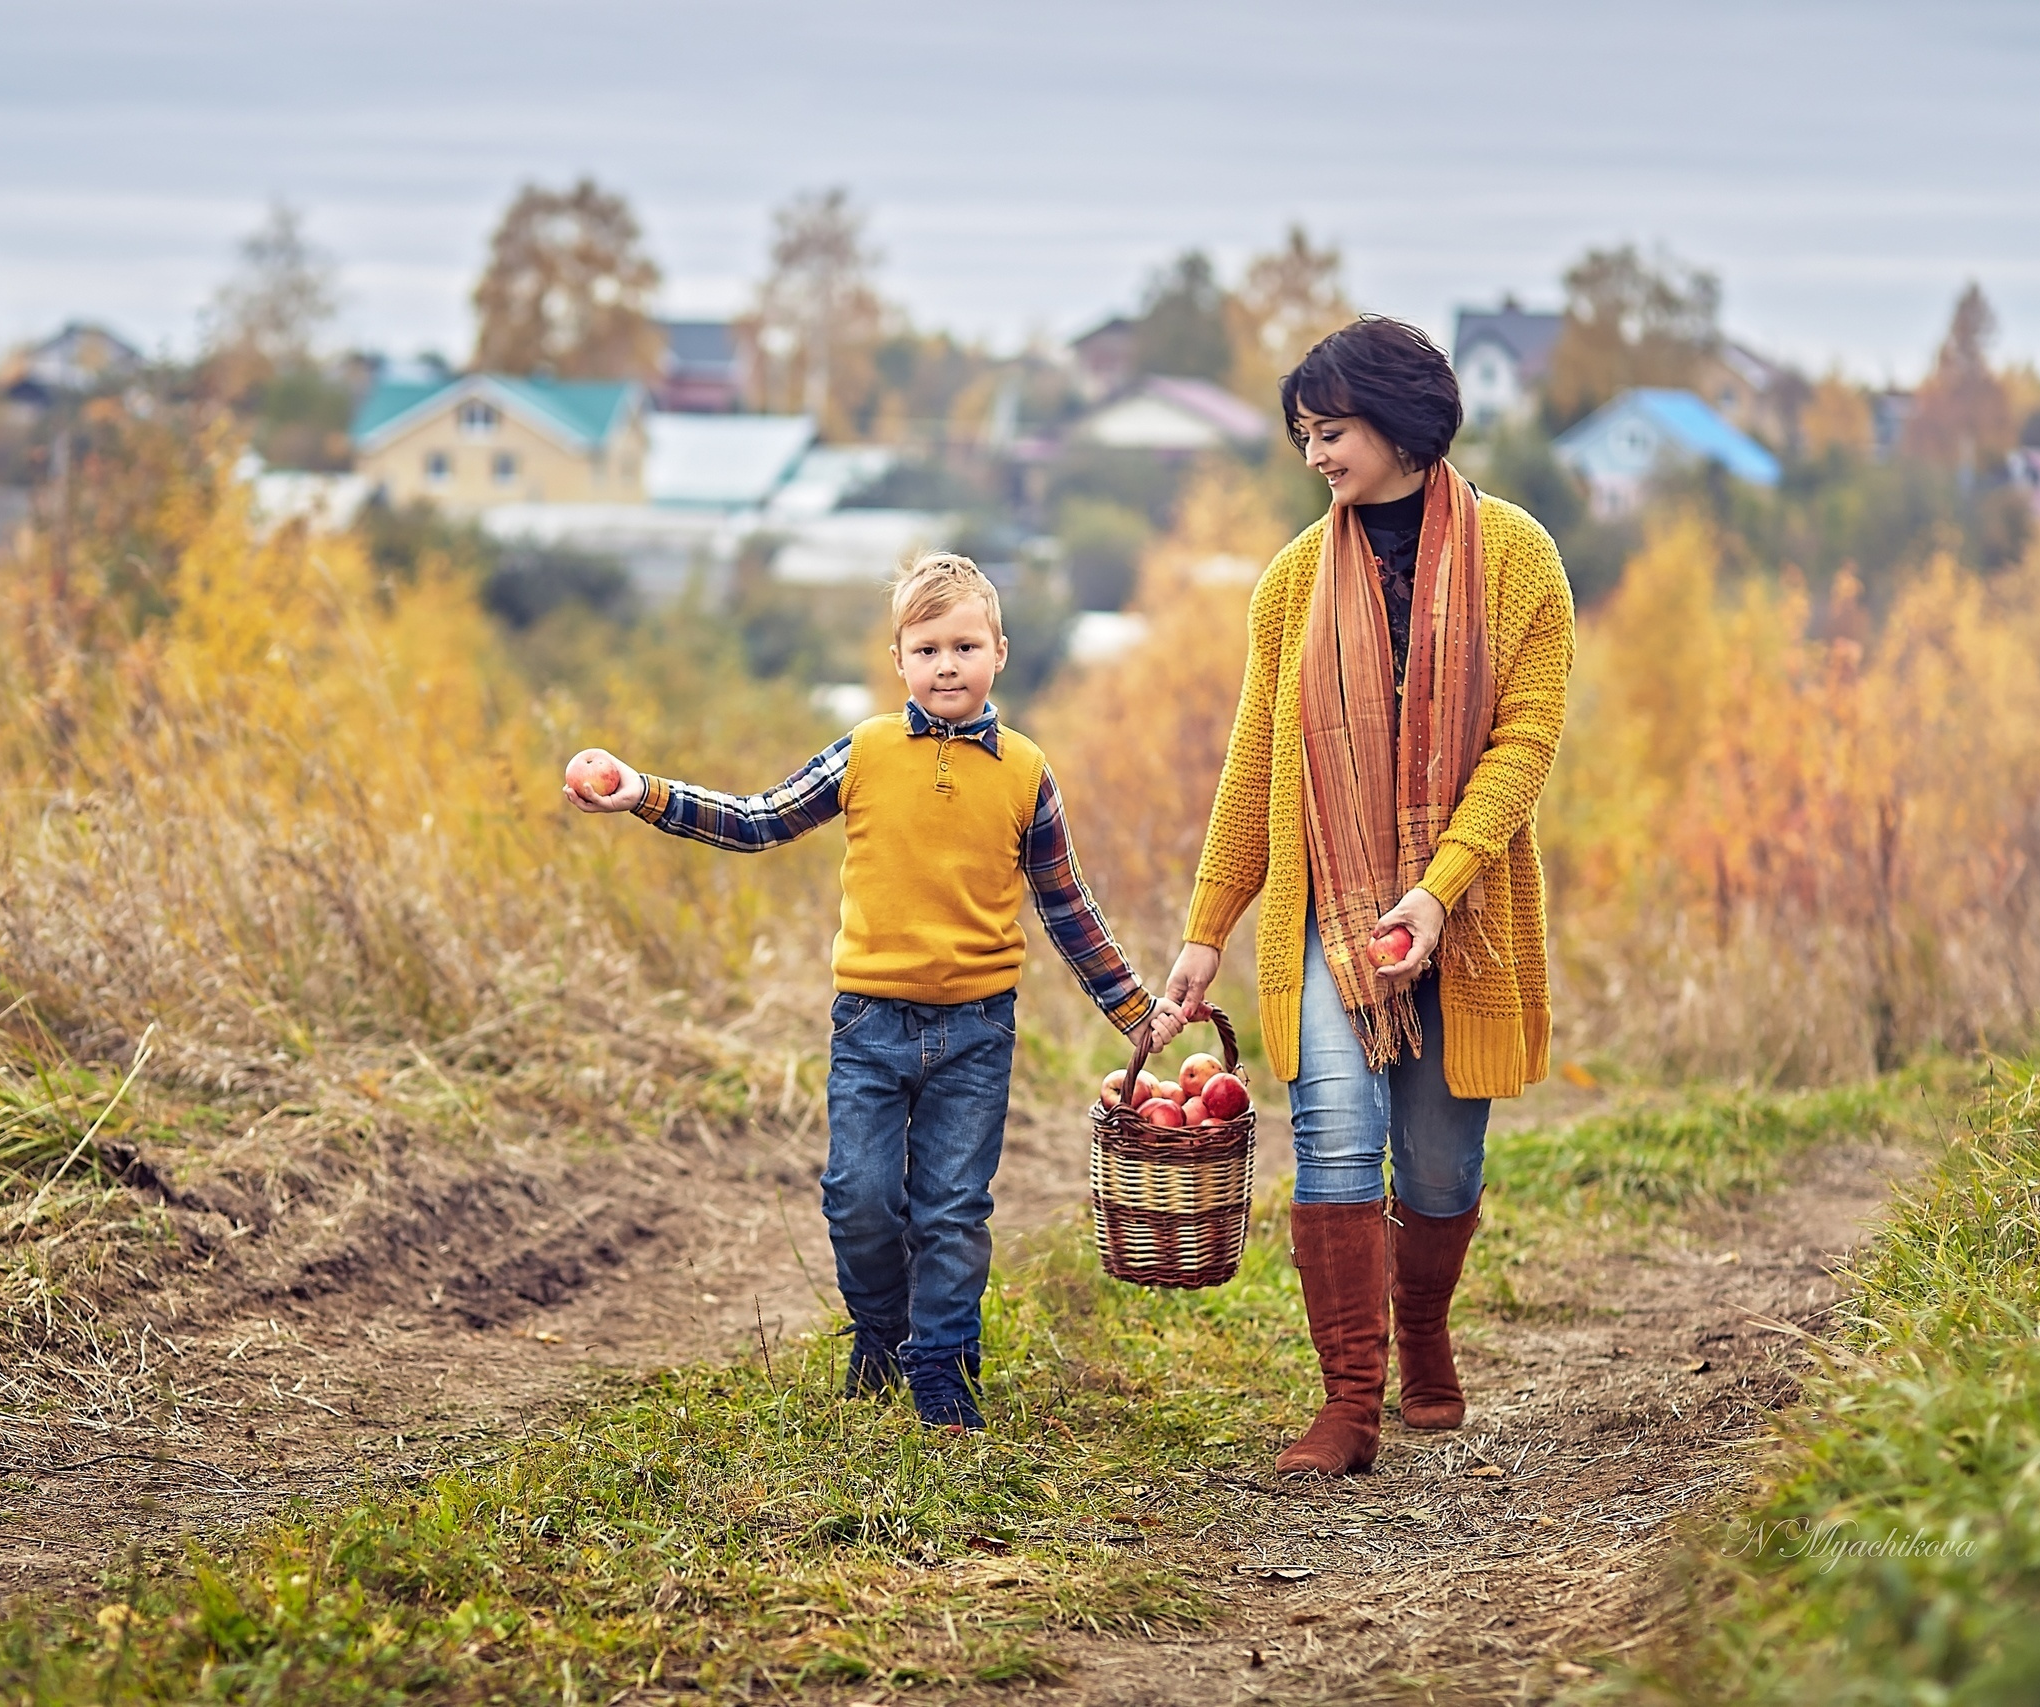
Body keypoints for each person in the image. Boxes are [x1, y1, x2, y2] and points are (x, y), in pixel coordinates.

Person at [565, 552, 1184, 1430]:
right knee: (858, 1196)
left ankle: (942, 1363)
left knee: (953, 1209)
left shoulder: (1026, 771)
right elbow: (758, 818)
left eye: (965, 645)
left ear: (999, 652)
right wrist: (644, 793)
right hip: (870, 1022)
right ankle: (885, 1331)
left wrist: (1135, 1008)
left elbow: (1066, 903)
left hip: (977, 1027)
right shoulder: (864, 750)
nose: (946, 664)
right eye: (926, 648)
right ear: (898, 660)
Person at [1159, 317, 1575, 1477]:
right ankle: (1347, 1405)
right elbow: (1256, 763)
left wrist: (1438, 894)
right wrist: (1207, 932)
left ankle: (1423, 1327)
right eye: (1303, 436)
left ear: (1398, 425)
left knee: (1440, 1171)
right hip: (1325, 912)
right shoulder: (1293, 581)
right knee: (1336, 1141)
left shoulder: (1520, 558)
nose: (1316, 459)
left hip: (1468, 915)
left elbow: (1525, 742)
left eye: (1330, 433)